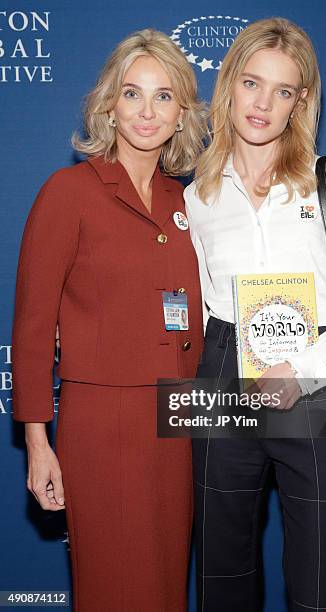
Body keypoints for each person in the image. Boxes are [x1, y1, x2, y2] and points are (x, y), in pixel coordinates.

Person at [184, 17, 326, 612]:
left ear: (301, 102)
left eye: (284, 91)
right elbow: (199, 307)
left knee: (321, 582)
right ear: (229, 86)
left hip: (319, 381)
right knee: (221, 569)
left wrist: (301, 370)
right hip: (224, 373)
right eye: (252, 83)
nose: (263, 104)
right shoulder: (197, 194)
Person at [12, 29, 206, 612]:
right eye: (132, 93)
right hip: (101, 422)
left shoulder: (187, 202)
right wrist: (37, 442)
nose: (147, 111)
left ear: (181, 115)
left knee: (166, 584)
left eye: (164, 96)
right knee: (112, 587)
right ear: (109, 107)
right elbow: (31, 325)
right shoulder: (69, 192)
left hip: (178, 420)